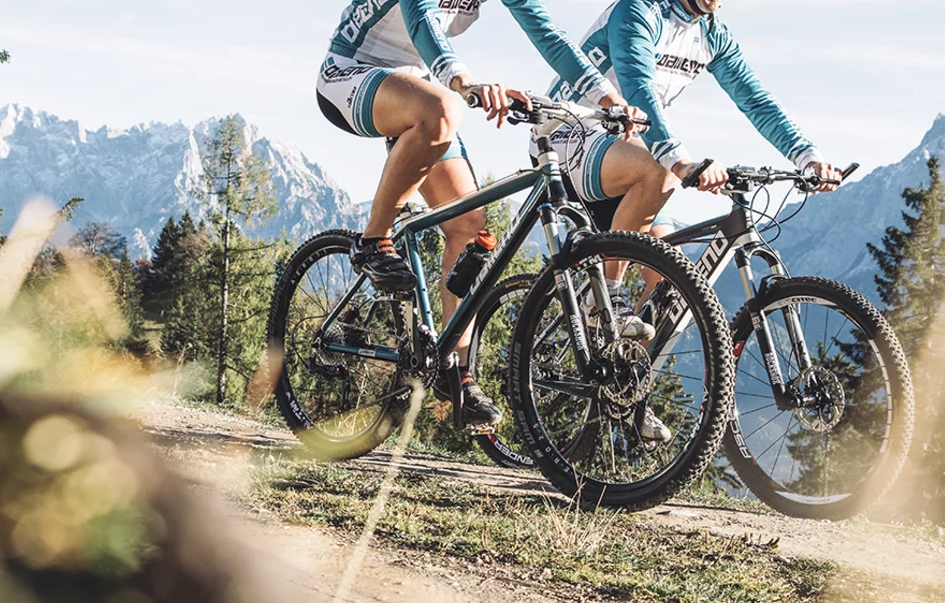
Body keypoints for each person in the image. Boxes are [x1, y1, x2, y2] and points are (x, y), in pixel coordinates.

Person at [317, 0, 641, 424]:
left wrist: (607, 97)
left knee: (469, 227)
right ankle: (373, 239)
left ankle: (456, 372)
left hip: (415, 85)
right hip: (351, 72)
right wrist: (461, 79)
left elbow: (547, 33)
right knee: (443, 109)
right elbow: (422, 16)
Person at [541, 0, 845, 322]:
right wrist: (679, 162)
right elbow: (637, 86)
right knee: (659, 171)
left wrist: (808, 157)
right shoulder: (639, 10)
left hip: (629, 148)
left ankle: (625, 368)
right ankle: (602, 299)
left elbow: (756, 101)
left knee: (671, 292)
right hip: (569, 134)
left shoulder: (712, 34)